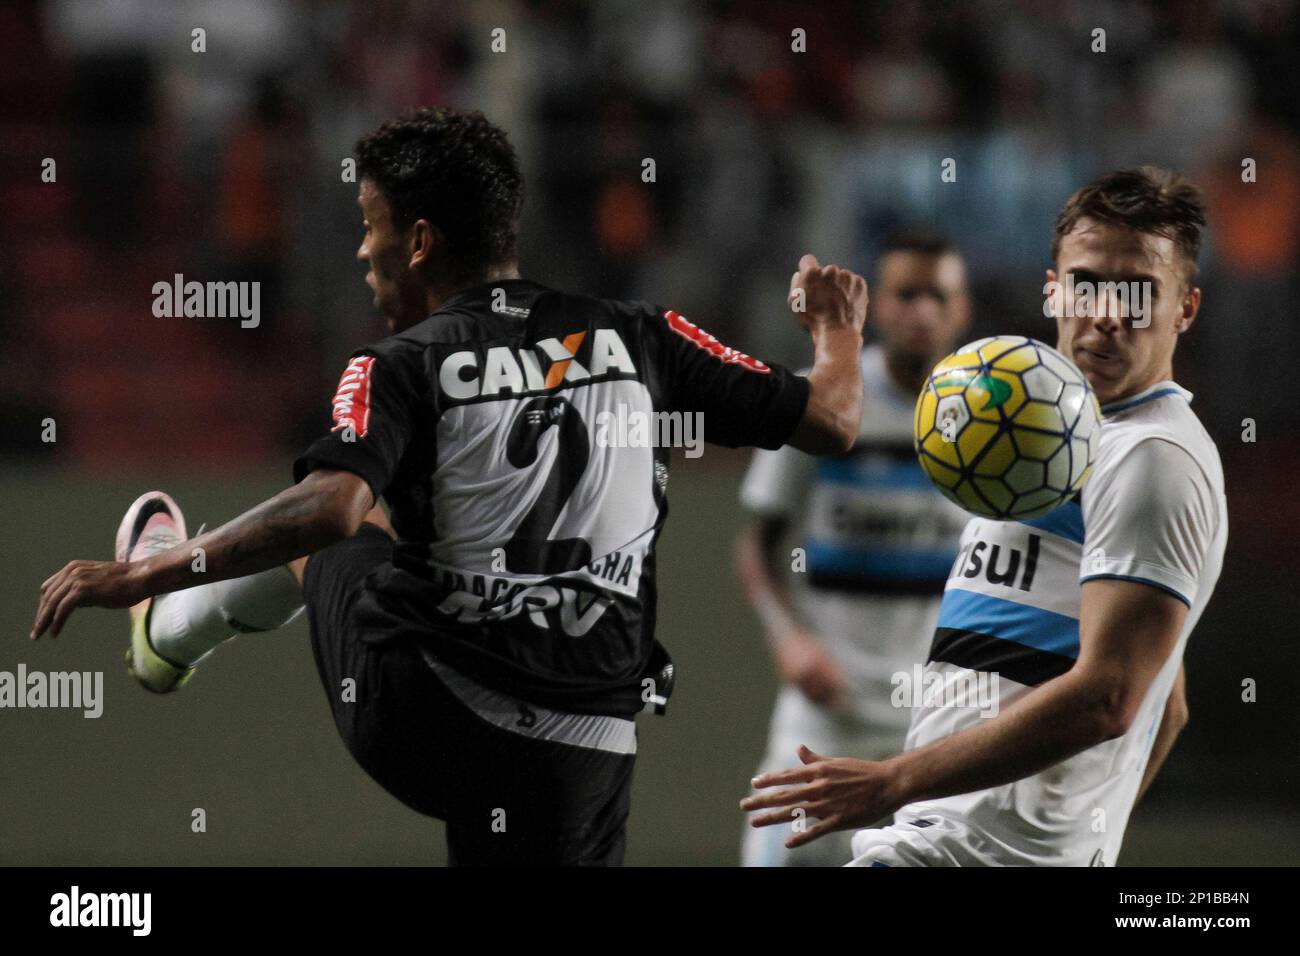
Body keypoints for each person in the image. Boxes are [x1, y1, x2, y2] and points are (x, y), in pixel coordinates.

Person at [32, 107, 869, 866]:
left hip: (431, 714)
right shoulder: (642, 333)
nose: (363, 250)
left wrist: (147, 575)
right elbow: (832, 419)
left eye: (370, 226)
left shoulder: (396, 363)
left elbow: (327, 509)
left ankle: (168, 630)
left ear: (421, 241)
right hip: (588, 742)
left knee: (341, 537)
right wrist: (835, 329)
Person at [741, 167, 1227, 867]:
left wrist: (893, 782)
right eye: (1088, 284)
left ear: (1186, 308)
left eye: (1140, 292)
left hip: (967, 848)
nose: (1109, 314)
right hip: (961, 837)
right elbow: (1166, 703)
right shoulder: (1044, 431)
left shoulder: (1152, 457)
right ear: (1053, 288)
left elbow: (1111, 696)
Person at [735, 229, 972, 866]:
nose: (922, 310)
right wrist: (788, 638)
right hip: (824, 716)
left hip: (934, 727)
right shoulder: (827, 400)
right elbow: (756, 547)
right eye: (906, 293)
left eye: (938, 295)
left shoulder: (988, 420)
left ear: (963, 309)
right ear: (878, 306)